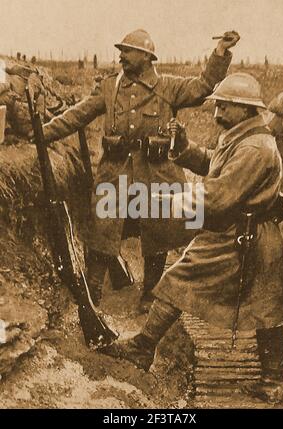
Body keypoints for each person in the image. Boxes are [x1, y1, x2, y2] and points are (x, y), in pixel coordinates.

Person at [101, 72, 283, 404]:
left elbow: (218, 195)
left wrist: (164, 199)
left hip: (246, 235)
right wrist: (186, 148)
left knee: (267, 306)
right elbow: (214, 165)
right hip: (237, 232)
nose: (216, 112)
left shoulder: (256, 147)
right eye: (217, 105)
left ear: (243, 108)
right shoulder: (240, 136)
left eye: (223, 106)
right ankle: (145, 347)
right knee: (194, 284)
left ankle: (274, 381)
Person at [41, 29, 240, 312]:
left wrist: (221, 51)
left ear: (146, 56)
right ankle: (92, 294)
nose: (121, 56)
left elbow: (204, 85)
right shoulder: (109, 88)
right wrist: (41, 134)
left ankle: (150, 293)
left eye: (127, 51)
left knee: (159, 232)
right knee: (102, 229)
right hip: (116, 173)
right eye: (121, 50)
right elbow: (76, 116)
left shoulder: (169, 87)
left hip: (157, 175)